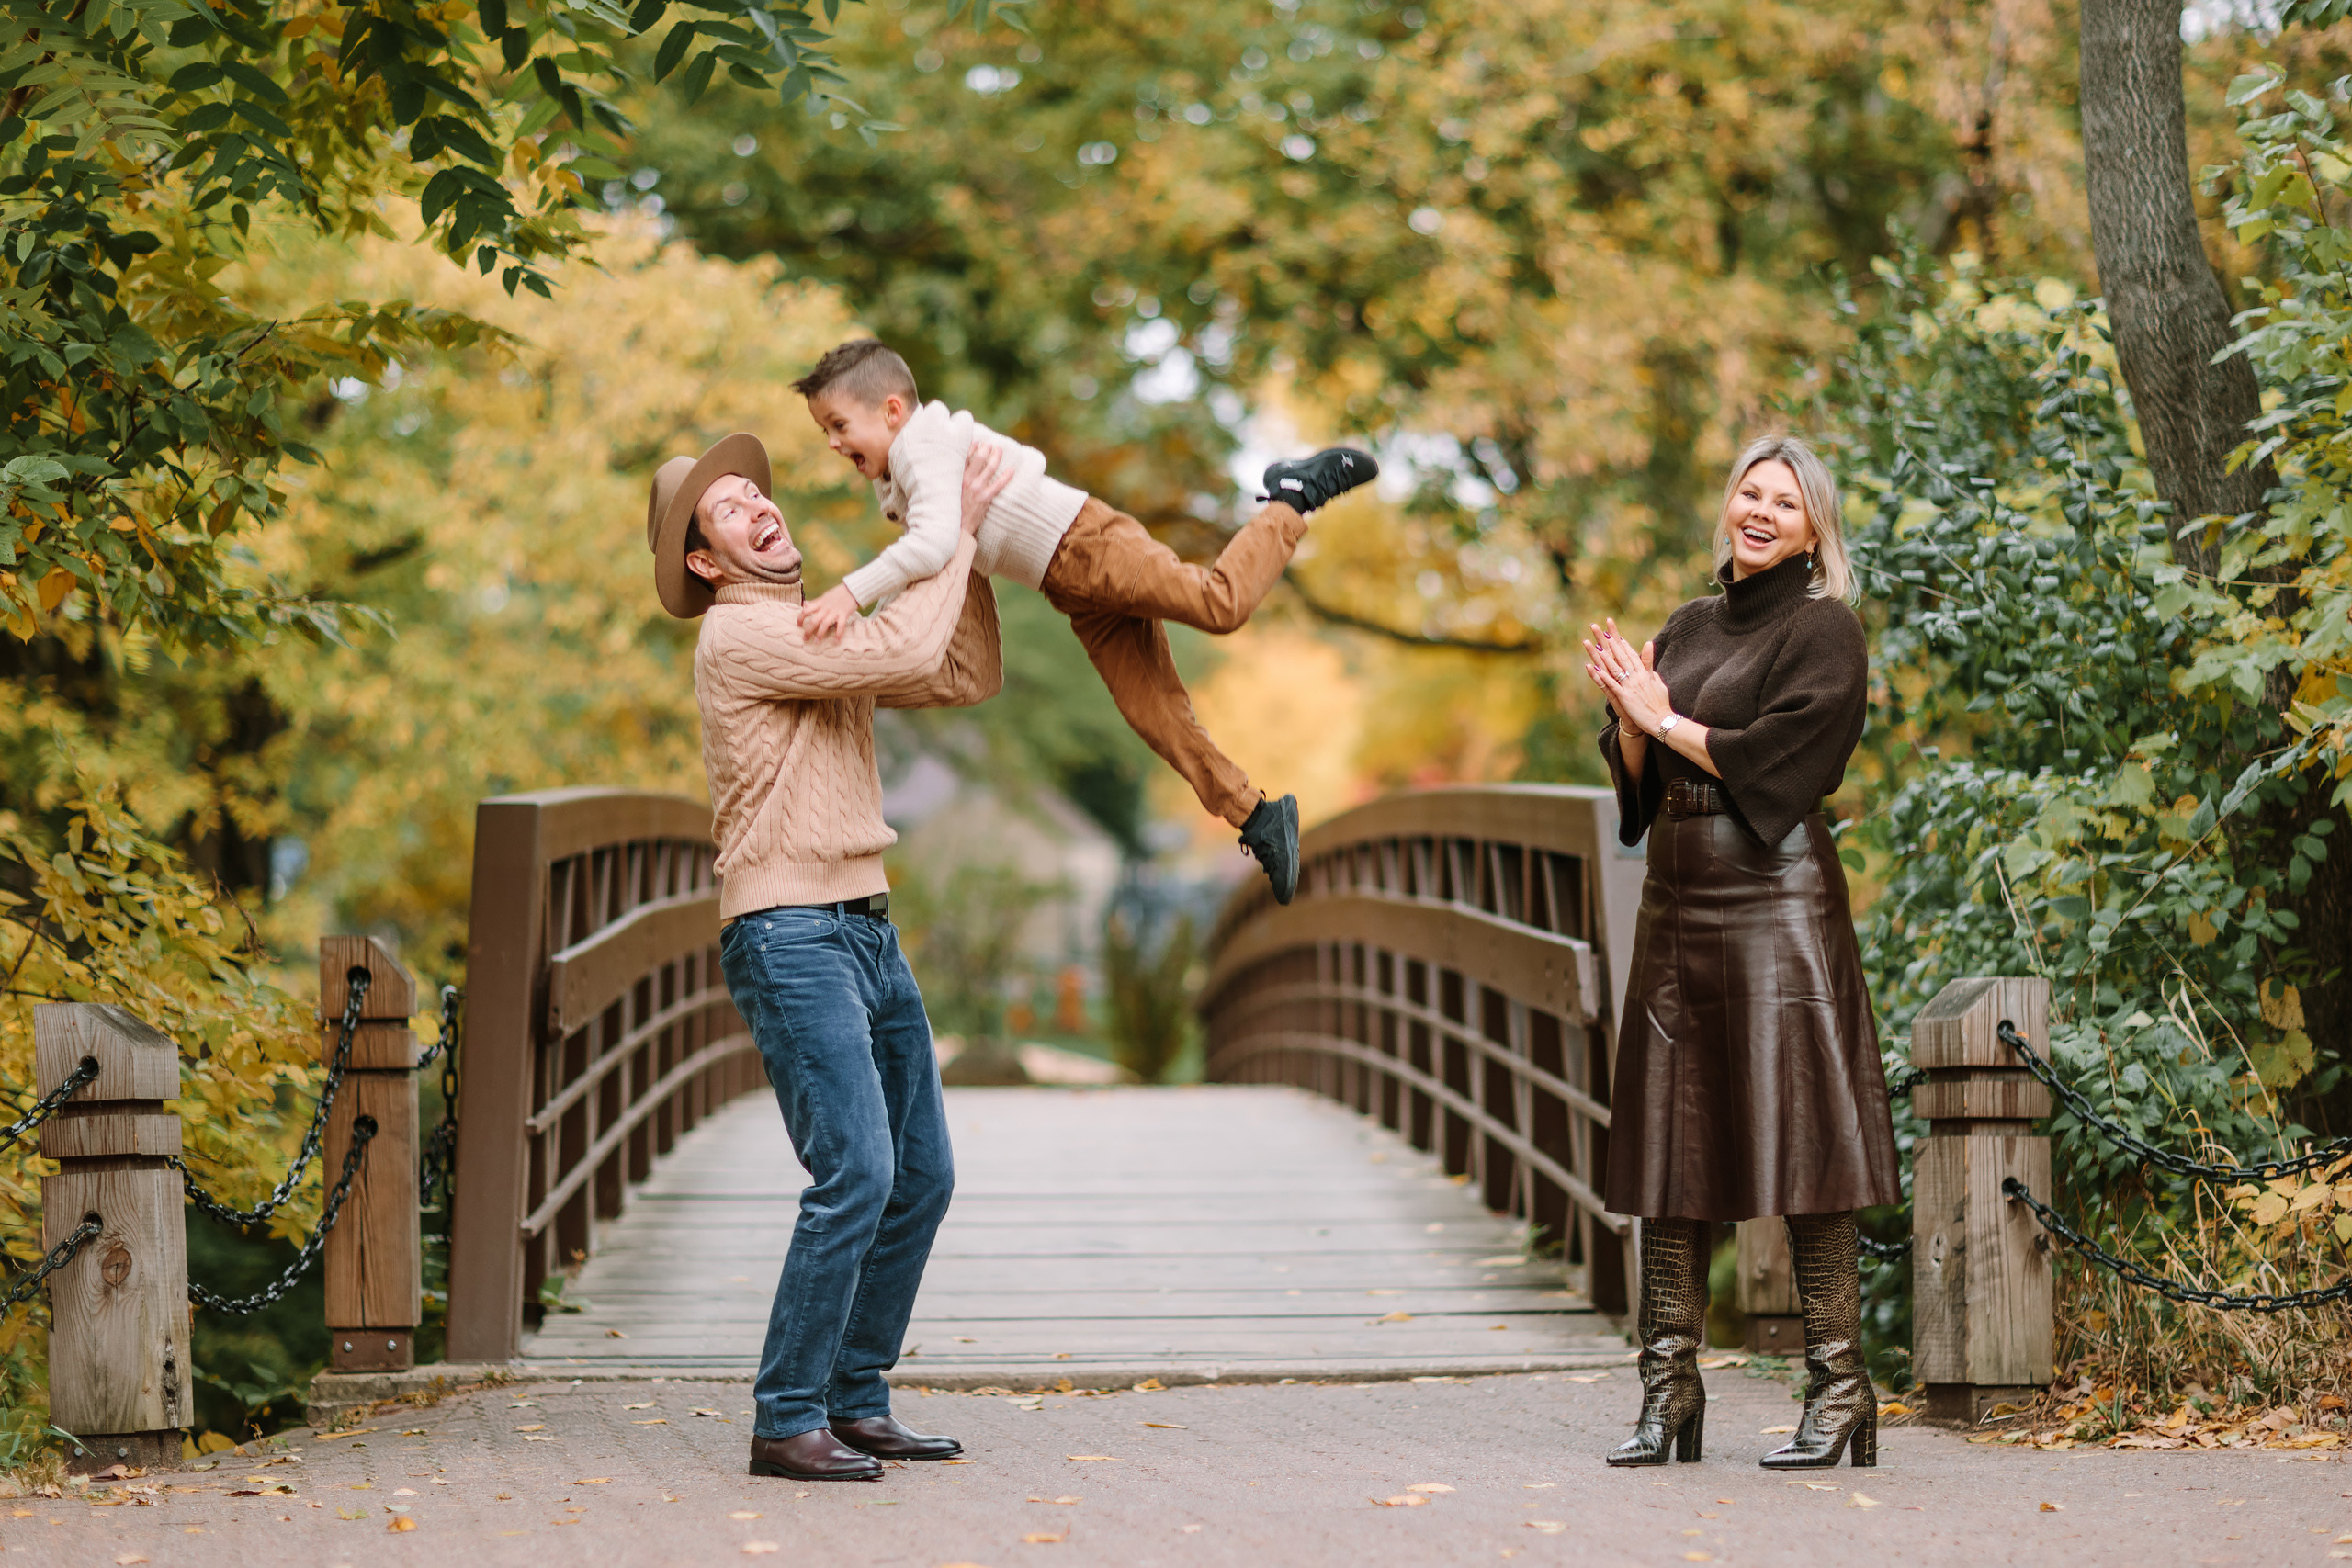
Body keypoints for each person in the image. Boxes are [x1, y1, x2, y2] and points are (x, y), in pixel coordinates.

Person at [643, 429, 1013, 1483]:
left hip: (865, 922)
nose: (758, 506)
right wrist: (956, 525)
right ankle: (785, 1415)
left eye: (755, 491)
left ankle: (852, 1398)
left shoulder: (819, 624)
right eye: (727, 509)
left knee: (922, 1176)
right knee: (857, 1171)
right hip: (788, 931)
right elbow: (903, 651)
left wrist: (967, 556)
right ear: (707, 562)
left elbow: (965, 670)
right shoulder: (740, 637)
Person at [789, 337, 1379, 906]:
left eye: (840, 426)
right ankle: (1257, 815)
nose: (834, 444)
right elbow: (936, 562)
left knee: (1217, 604)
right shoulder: (898, 477)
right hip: (1070, 585)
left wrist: (848, 595)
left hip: (1087, 545)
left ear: (892, 410)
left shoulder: (923, 444)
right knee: (1156, 714)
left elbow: (938, 540)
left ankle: (1293, 496)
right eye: (826, 432)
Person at [1579, 434, 1901, 1472]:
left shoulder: (1823, 632)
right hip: (1675, 904)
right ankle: (1665, 1390)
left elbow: (1776, 763)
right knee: (1669, 1155)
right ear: (1729, 506)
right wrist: (1630, 721)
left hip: (1776, 901)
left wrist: (1661, 714)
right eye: (1749, 493)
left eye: (1785, 502)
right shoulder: (1686, 624)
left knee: (1807, 1147)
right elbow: (1637, 789)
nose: (1760, 511)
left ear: (1814, 528)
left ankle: (1840, 1389)